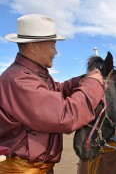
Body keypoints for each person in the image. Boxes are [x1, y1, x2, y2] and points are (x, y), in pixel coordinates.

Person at [0, 14, 107, 173]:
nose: (56, 52)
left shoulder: (33, 75)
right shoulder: (19, 79)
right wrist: (93, 84)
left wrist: (83, 80)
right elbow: (65, 116)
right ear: (34, 47)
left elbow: (59, 89)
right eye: (52, 45)